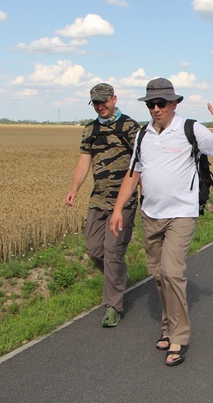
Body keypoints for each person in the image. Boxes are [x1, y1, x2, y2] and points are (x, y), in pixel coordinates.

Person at [109, 78, 213, 367]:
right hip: (150, 214)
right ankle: (167, 325)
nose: (156, 108)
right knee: (158, 275)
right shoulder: (143, 135)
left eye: (161, 103)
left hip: (181, 214)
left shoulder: (190, 128)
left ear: (174, 103)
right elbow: (133, 174)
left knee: (172, 272)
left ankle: (178, 336)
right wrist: (118, 210)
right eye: (151, 104)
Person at [65, 83, 140, 328]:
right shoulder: (91, 129)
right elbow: (84, 161)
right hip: (98, 199)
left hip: (124, 201)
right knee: (94, 249)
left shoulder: (129, 127)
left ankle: (113, 306)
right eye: (96, 103)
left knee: (113, 252)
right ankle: (118, 278)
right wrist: (74, 189)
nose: (100, 106)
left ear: (114, 99)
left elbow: (142, 161)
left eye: (104, 101)